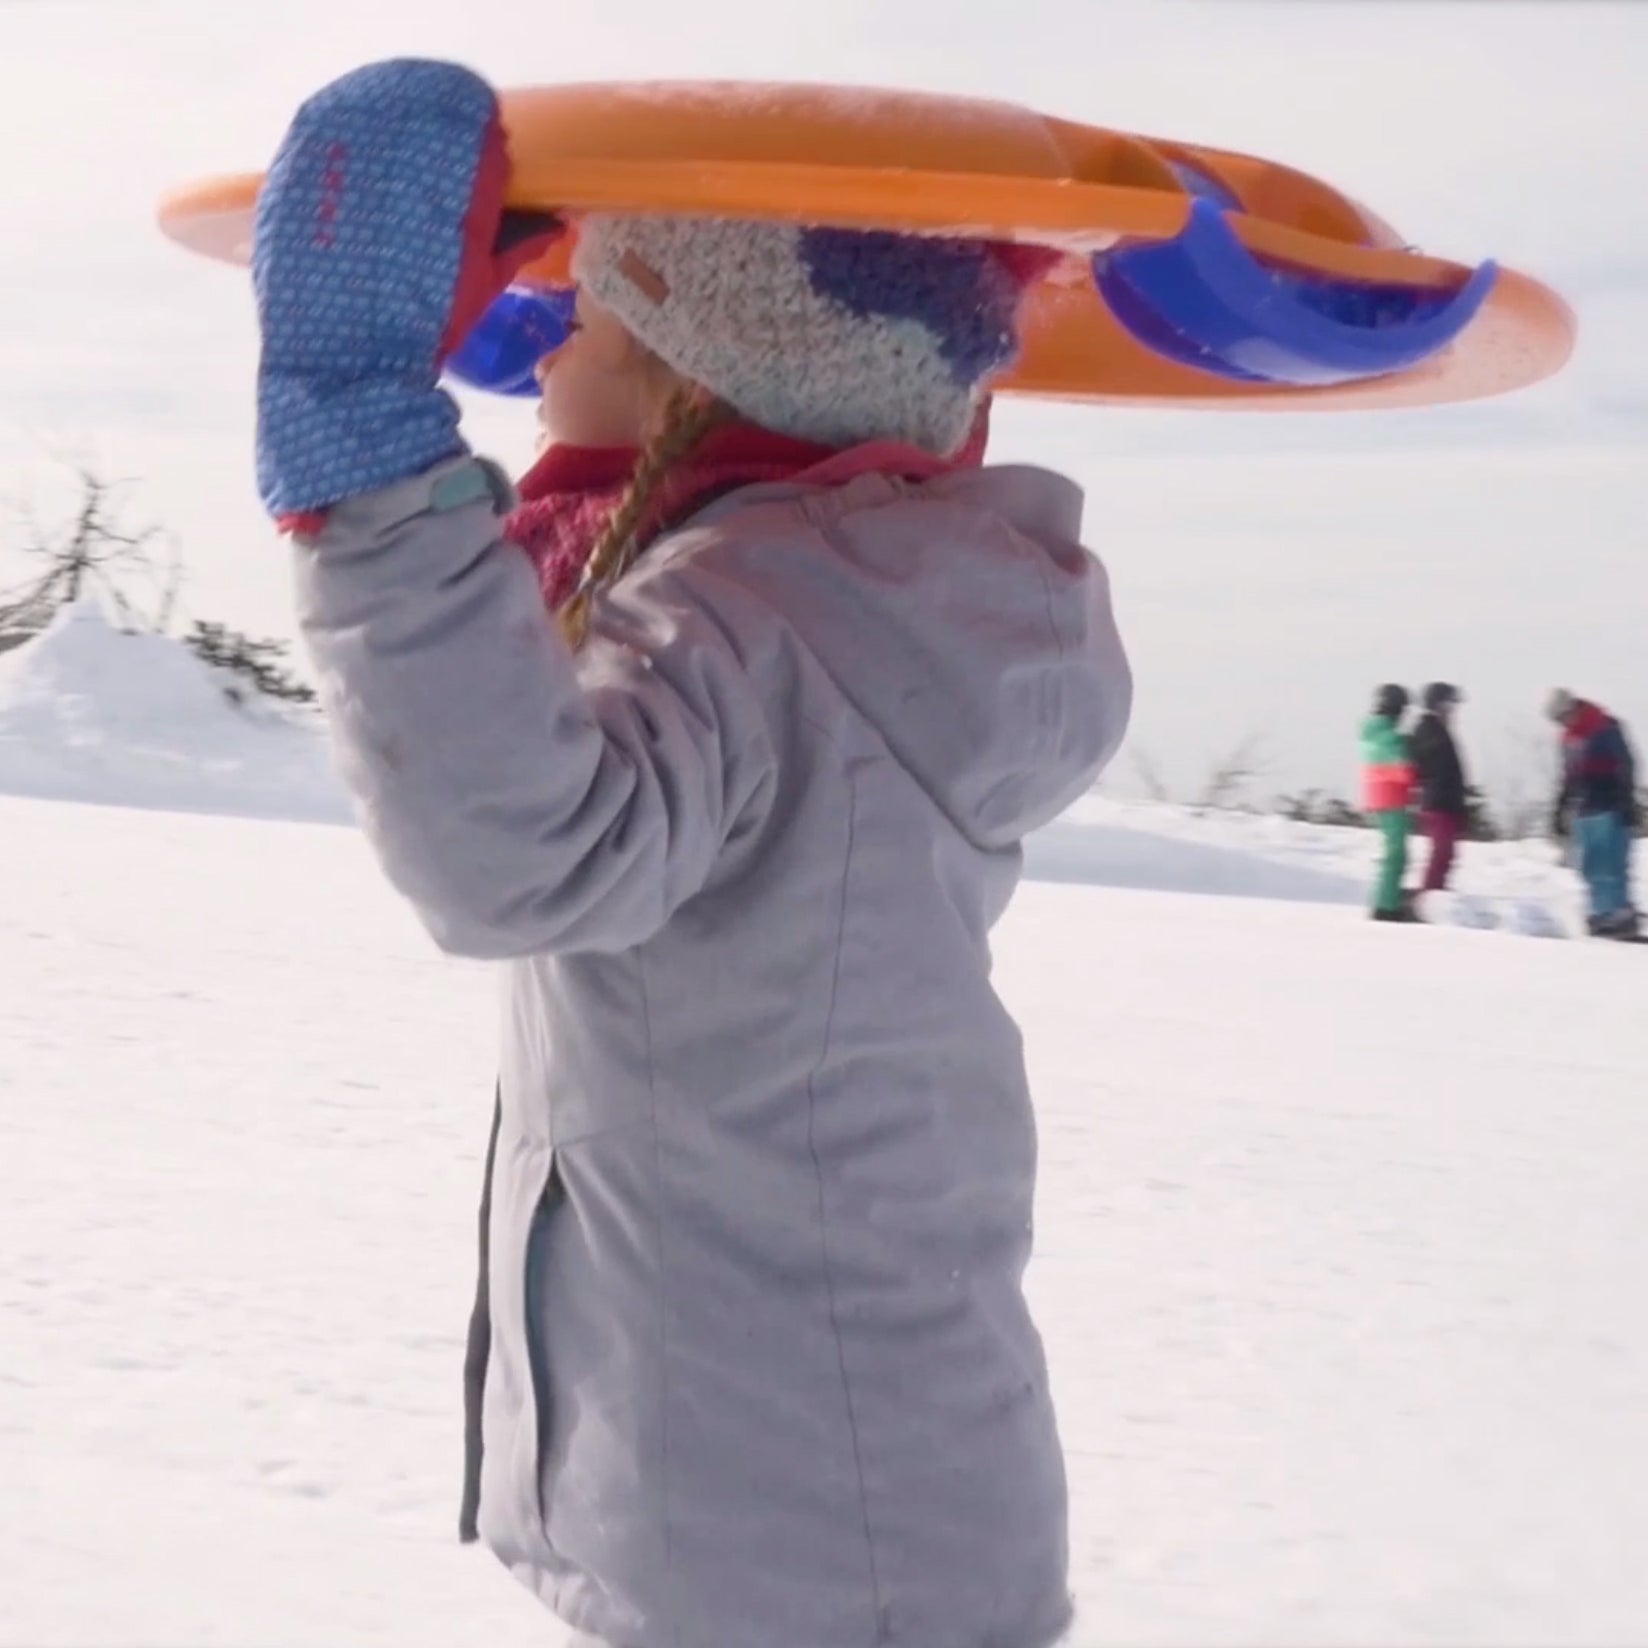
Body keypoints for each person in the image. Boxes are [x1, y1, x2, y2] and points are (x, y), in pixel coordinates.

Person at [251, 60, 1132, 1648]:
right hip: (828, 1505)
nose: (541, 361)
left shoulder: (755, 624)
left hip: (793, 1543)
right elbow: (514, 720)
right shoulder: (834, 601)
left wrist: (358, 433)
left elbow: (515, 843)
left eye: (581, 315)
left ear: (696, 373)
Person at [1547, 689, 1638, 938]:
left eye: (1563, 717)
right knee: (1589, 865)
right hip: (1583, 810)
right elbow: (1568, 777)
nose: (1563, 723)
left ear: (1573, 708)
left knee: (1612, 862)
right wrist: (1560, 808)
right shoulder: (1568, 739)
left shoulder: (1605, 727)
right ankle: (1600, 912)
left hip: (1608, 805)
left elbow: (1625, 764)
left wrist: (1626, 800)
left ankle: (1617, 913)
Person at [1361, 683, 1417, 921]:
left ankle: (1388, 901)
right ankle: (1386, 906)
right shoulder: (1389, 737)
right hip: (1391, 798)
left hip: (1379, 796)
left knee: (1395, 853)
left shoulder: (1372, 732)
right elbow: (1402, 770)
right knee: (1396, 855)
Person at [1409, 682, 1470, 897]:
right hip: (1437, 802)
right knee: (1441, 850)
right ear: (1438, 705)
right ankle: (1428, 893)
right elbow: (1423, 764)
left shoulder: (1441, 731)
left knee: (1448, 853)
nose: (1454, 710)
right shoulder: (1427, 730)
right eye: (1450, 704)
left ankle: (1437, 891)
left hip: (1448, 801)